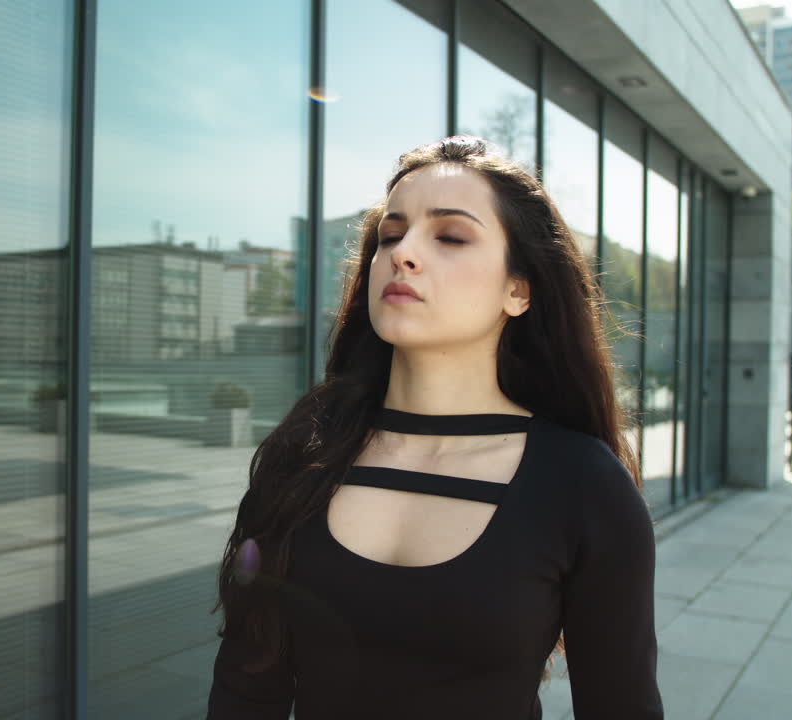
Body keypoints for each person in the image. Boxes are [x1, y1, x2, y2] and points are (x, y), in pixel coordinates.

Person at [206, 135, 663, 719]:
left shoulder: (584, 485)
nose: (403, 253)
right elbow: (246, 691)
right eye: (390, 235)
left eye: (449, 235)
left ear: (518, 290)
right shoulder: (303, 455)